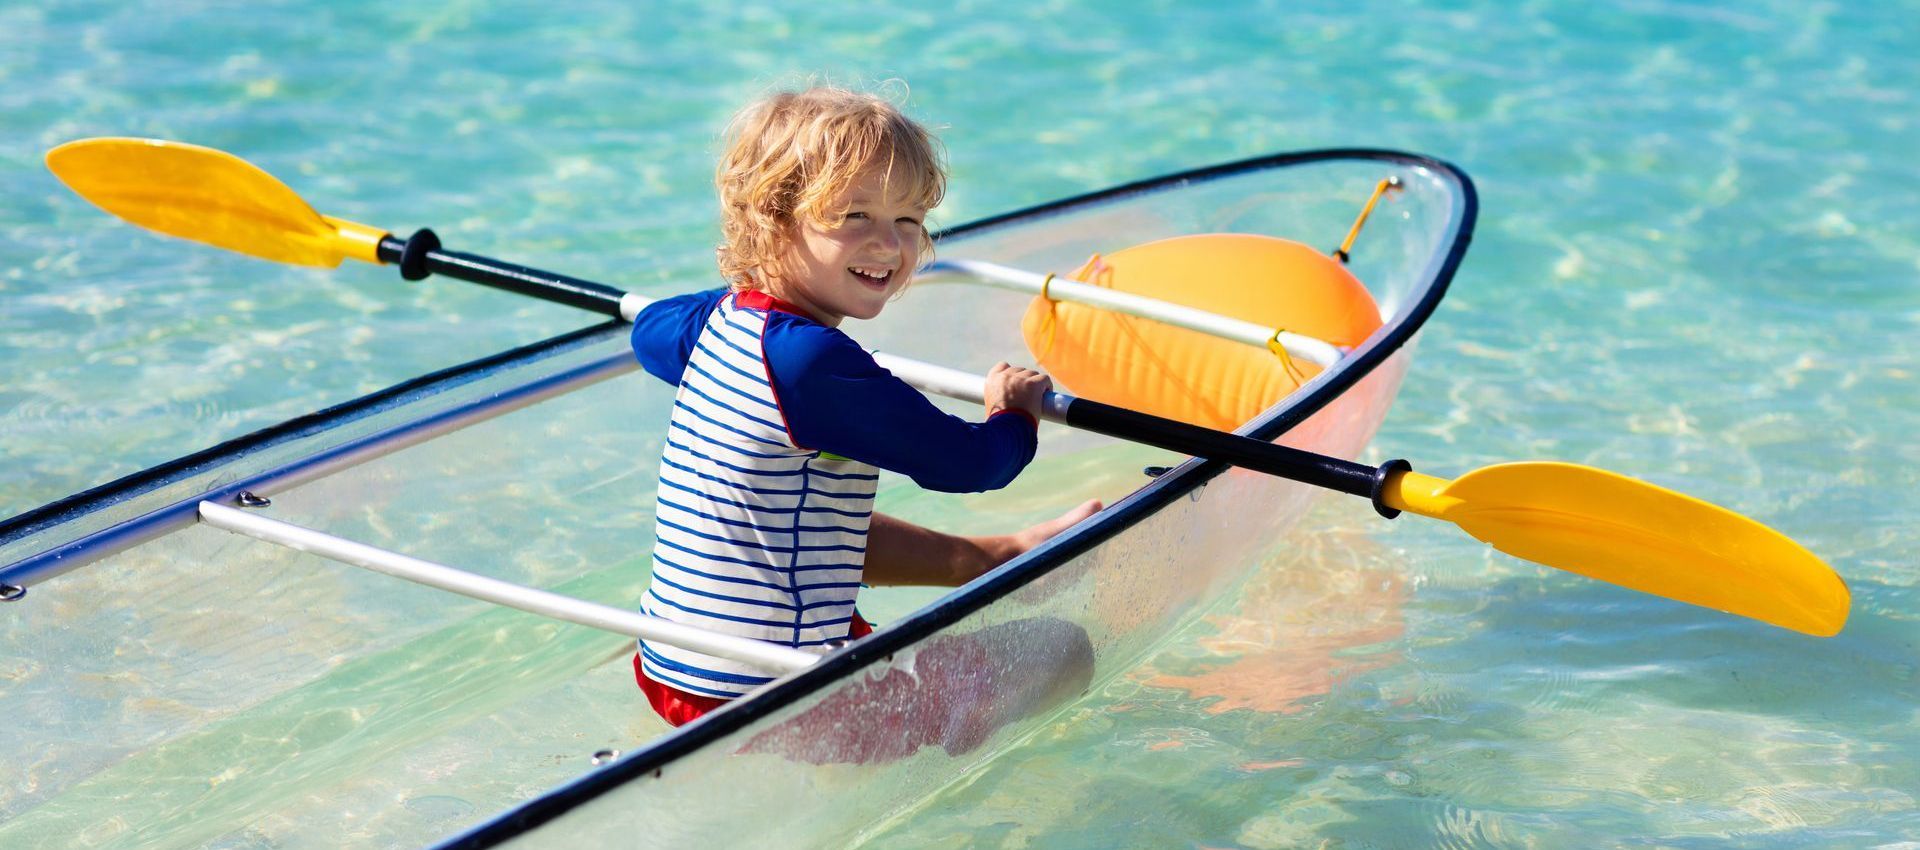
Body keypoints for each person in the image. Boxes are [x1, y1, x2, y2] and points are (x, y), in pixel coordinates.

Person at [627, 86, 1100, 727]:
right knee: (1066, 651)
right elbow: (969, 466)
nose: (890, 245)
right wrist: (1013, 412)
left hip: (672, 667)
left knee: (812, 507)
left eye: (908, 220)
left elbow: (648, 328)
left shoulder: (718, 324)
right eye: (854, 216)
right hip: (774, 698)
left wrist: (753, 271)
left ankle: (996, 557)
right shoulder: (810, 365)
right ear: (771, 218)